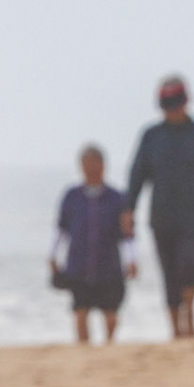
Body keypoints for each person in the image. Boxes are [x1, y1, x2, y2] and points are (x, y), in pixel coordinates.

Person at [122, 75, 194, 340]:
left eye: (176, 103)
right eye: (167, 104)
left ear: (186, 102)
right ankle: (174, 328)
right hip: (162, 217)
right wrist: (128, 209)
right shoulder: (151, 137)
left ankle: (189, 315)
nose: (173, 109)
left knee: (190, 266)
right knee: (168, 273)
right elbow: (137, 175)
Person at [50, 144, 135, 344]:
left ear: (104, 166)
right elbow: (61, 229)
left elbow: (128, 233)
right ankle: (83, 348)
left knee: (111, 311)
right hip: (79, 263)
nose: (91, 169)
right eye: (86, 164)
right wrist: (53, 255)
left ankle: (109, 344)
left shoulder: (116, 198)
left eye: (95, 164)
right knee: (80, 309)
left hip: (109, 264)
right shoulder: (72, 196)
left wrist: (132, 259)